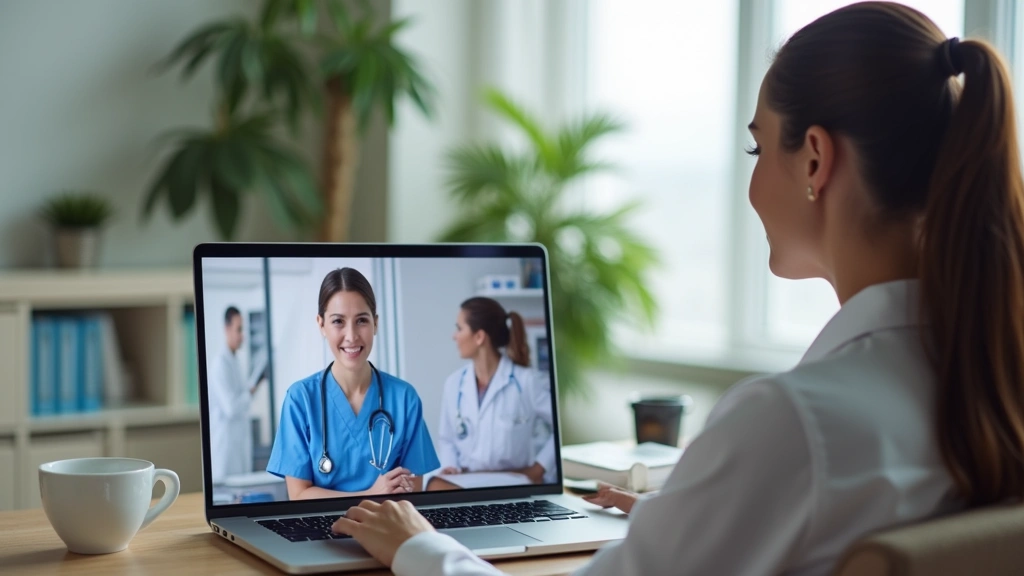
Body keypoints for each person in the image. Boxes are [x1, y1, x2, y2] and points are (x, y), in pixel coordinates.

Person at [328, 2, 1024, 574]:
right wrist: (692, 516)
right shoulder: (992, 379)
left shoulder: (794, 424)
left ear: (815, 157)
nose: (751, 180)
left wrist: (415, 544)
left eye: (758, 147)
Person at [267, 267, 440, 499]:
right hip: (321, 531)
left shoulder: (404, 399)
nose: (351, 336)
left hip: (387, 530)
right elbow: (299, 495)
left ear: (375, 324)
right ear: (321, 325)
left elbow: (410, 494)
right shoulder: (300, 399)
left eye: (361, 321)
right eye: (338, 321)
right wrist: (370, 494)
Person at [434, 297, 555, 487]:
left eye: (459, 328)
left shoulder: (526, 381)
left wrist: (539, 468)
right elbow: (447, 439)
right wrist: (450, 465)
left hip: (510, 481)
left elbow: (559, 428)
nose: (454, 336)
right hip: (466, 479)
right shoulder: (454, 383)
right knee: (432, 484)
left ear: (479, 337)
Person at [209, 306, 263, 485]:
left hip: (238, 448)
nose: (242, 336)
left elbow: (241, 401)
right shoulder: (220, 364)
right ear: (227, 329)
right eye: (238, 329)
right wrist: (251, 390)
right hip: (226, 452)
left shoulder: (235, 362)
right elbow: (231, 408)